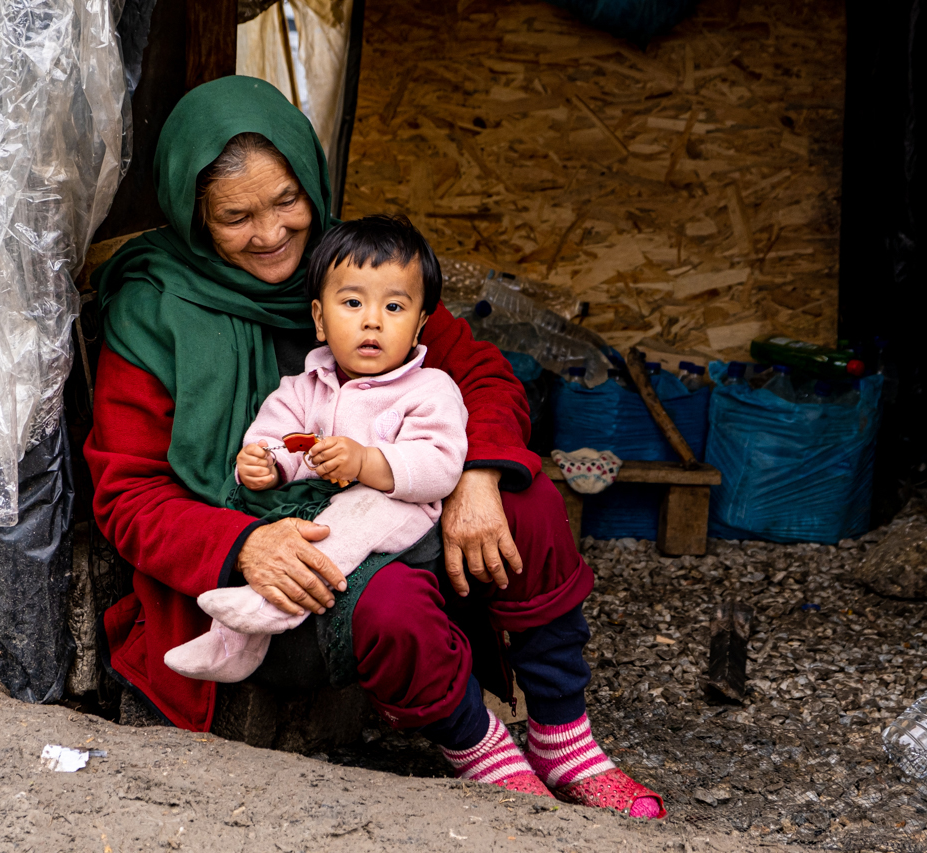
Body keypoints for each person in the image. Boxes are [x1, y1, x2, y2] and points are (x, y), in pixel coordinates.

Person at [86, 75, 664, 816]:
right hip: (277, 579)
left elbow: (481, 373)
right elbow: (126, 493)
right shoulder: (153, 308)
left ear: (311, 183)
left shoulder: (351, 272)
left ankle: (563, 737)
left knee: (530, 499)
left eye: (287, 201)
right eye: (235, 217)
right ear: (195, 218)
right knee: (390, 604)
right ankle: (480, 747)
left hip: (395, 505)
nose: (270, 234)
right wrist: (244, 545)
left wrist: (477, 474)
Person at [164, 215, 469, 683]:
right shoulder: (305, 386)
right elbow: (275, 437)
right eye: (352, 303)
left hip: (398, 510)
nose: (372, 320)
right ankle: (231, 644)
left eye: (394, 307)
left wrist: (367, 462)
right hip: (318, 507)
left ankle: (269, 609)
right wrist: (266, 464)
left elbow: (440, 465)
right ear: (320, 320)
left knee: (352, 516)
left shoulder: (429, 389)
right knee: (271, 527)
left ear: (420, 324)